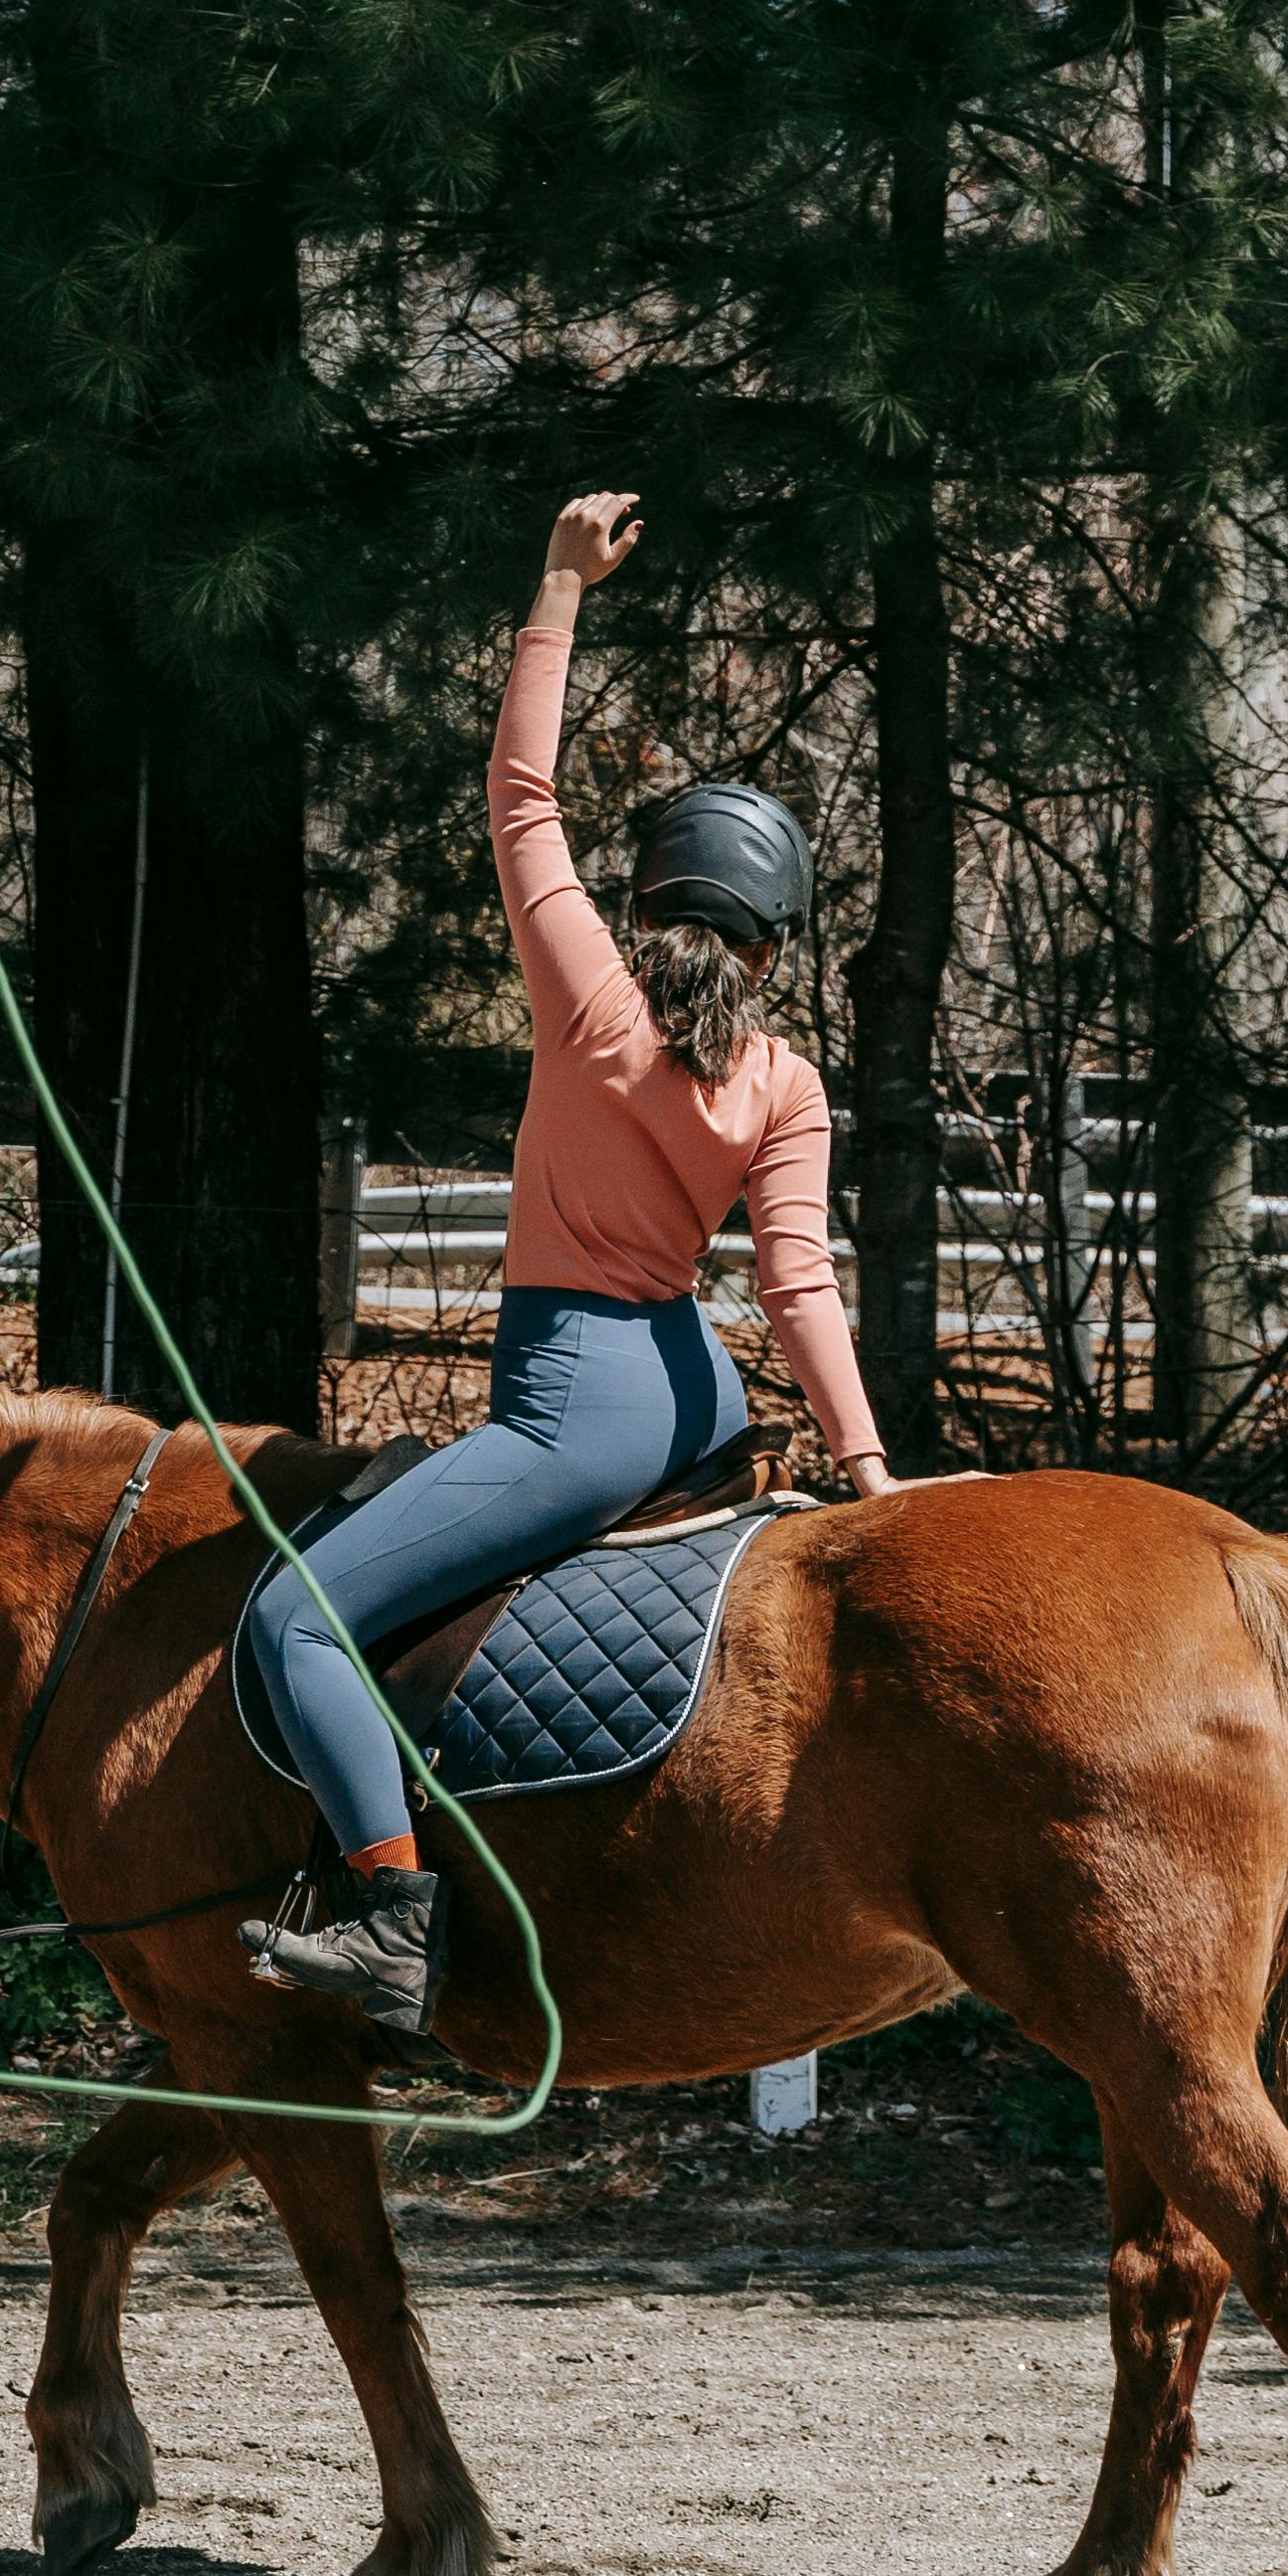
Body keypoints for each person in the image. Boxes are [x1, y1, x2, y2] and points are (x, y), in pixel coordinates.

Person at [238, 492, 901, 2040]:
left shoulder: (591, 1002)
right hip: (693, 1394)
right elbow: (799, 1283)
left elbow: (520, 794)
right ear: (770, 941)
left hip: (573, 1400)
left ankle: (394, 1922)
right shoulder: (787, 1081)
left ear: (656, 894)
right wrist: (870, 1472)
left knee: (296, 1624)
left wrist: (555, 587)